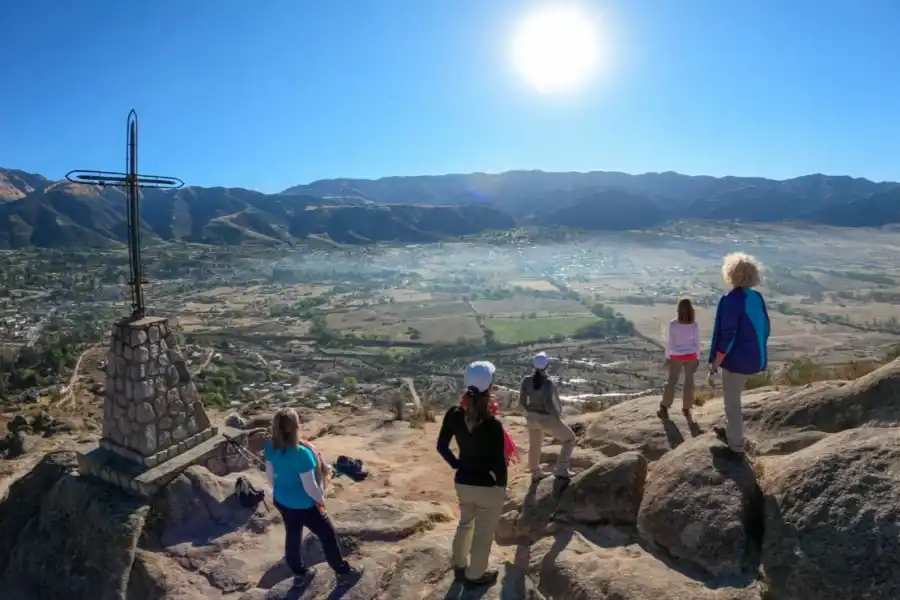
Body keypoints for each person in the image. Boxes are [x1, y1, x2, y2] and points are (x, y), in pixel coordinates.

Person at [265, 408, 361, 588]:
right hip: (305, 506)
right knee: (328, 537)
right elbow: (310, 487)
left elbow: (270, 478)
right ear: (295, 427)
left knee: (293, 536)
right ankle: (343, 573)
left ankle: (300, 575)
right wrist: (320, 501)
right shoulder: (302, 454)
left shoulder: (270, 446)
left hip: (282, 502)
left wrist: (284, 493)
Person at [436, 361, 508, 589]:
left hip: (463, 483)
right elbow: (499, 464)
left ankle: (459, 566)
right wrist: (501, 488)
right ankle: (475, 575)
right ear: (490, 388)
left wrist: (457, 464)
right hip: (487, 486)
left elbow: (441, 446)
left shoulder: (454, 415)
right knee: (483, 534)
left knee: (465, 524)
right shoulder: (493, 424)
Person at [708, 252, 770, 460]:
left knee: (732, 403)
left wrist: (716, 362)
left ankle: (735, 446)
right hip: (755, 357)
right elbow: (765, 328)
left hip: (736, 360)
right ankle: (732, 432)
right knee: (735, 400)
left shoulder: (731, 300)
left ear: (731, 274)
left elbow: (728, 335)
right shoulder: (757, 297)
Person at [519, 352, 575, 481]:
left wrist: (529, 413)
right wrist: (556, 417)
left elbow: (521, 402)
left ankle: (535, 473)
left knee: (535, 445)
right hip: (545, 418)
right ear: (547, 365)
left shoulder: (526, 380)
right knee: (570, 439)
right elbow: (552, 404)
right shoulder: (548, 383)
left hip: (531, 417)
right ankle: (561, 468)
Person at [658, 298, 701, 420]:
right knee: (689, 381)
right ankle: (686, 408)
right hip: (691, 355)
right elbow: (697, 343)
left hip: (676, 355)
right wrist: (697, 357)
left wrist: (667, 357)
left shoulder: (673, 324)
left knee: (671, 381)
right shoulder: (694, 325)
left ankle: (664, 407)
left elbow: (670, 342)